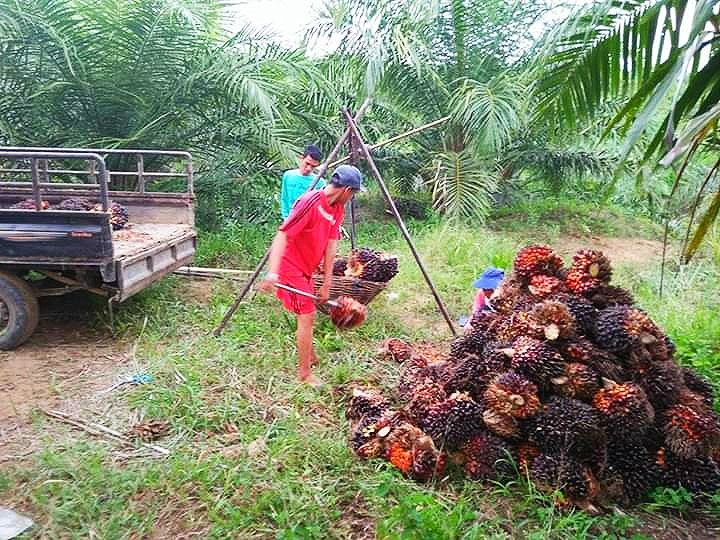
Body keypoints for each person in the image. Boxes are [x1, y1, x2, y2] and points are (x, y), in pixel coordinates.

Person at [259, 165, 365, 386]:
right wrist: (273, 272)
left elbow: (331, 245)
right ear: (346, 190)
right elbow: (282, 235)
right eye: (354, 193)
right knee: (306, 315)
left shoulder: (337, 209)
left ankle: (311, 355)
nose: (352, 197)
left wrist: (327, 282)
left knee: (310, 311)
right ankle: (305, 375)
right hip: (290, 266)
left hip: (307, 268)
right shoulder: (310, 202)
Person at [280, 144, 324, 220]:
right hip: (289, 220)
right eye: (307, 163)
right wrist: (286, 218)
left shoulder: (320, 182)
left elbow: (320, 207)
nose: (309, 168)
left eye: (313, 166)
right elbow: (284, 199)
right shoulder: (288, 176)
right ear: (302, 159)